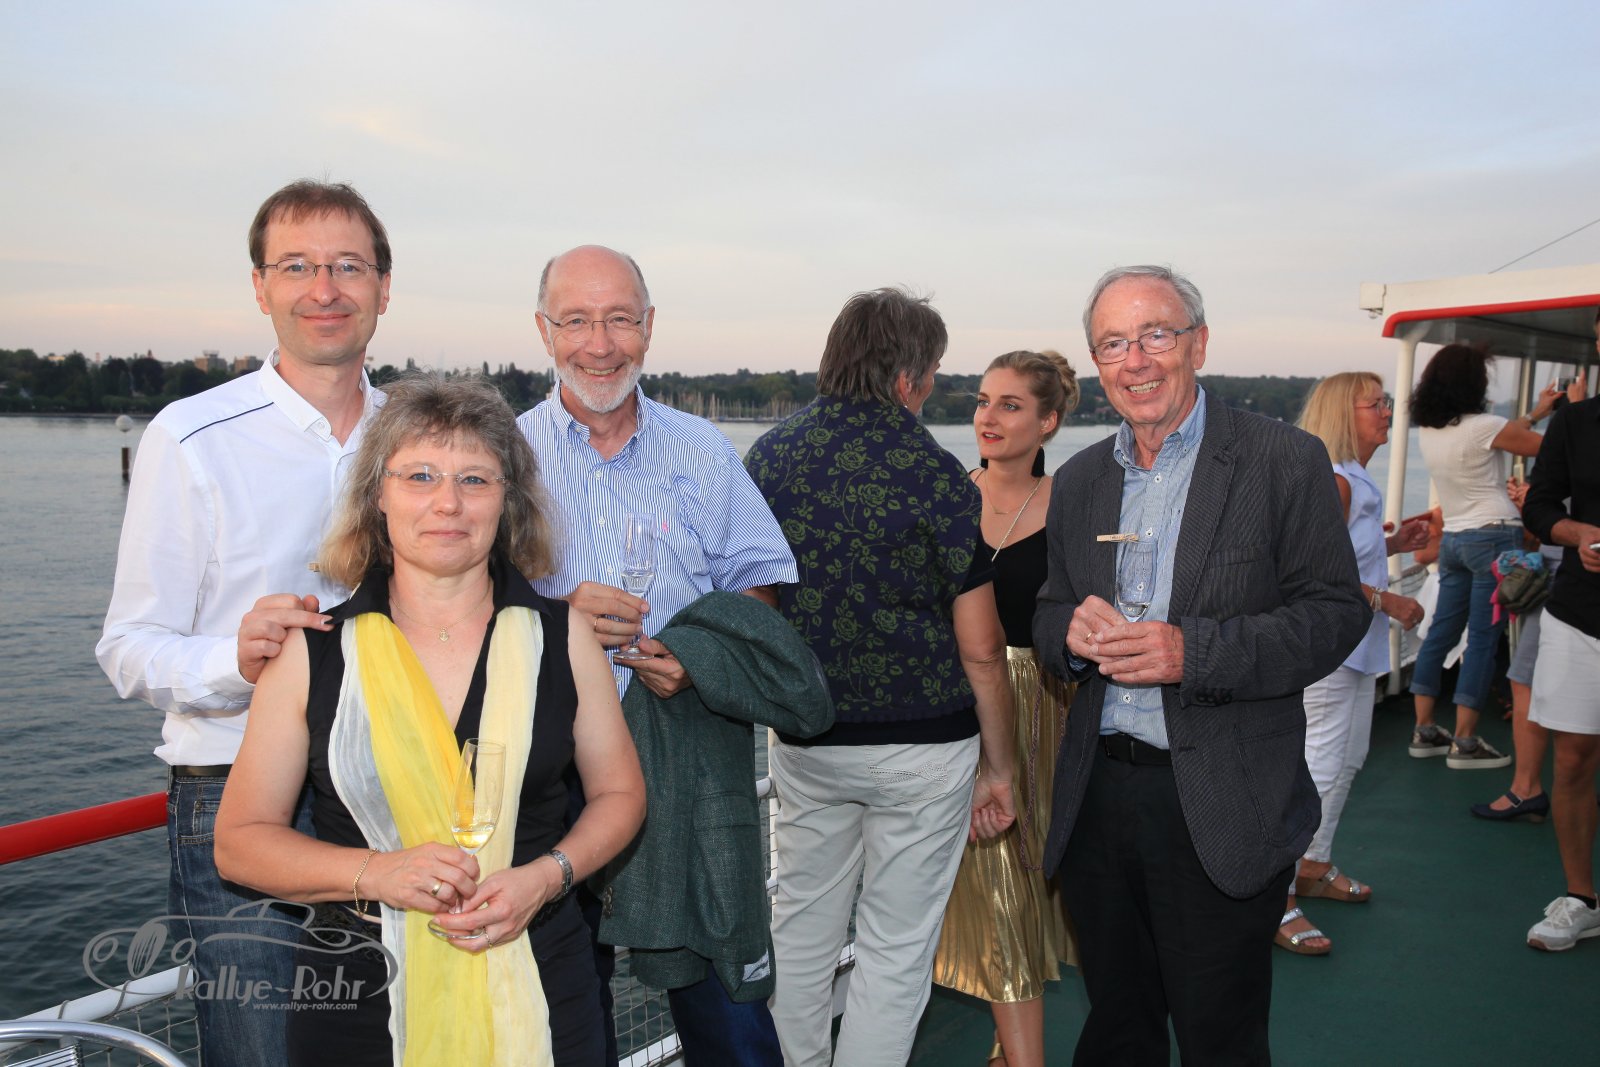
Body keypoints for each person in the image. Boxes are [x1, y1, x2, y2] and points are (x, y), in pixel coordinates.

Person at [214, 374, 647, 1064]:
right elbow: (239, 843)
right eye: (420, 476)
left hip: (543, 974)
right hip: (359, 996)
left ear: (508, 501)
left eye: (475, 479)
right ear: (377, 496)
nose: (448, 502)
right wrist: (376, 872)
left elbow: (621, 794)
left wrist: (547, 876)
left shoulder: (564, 638)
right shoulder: (310, 651)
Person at [1034, 265, 1369, 1065]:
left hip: (1221, 801)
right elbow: (1047, 610)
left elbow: (1335, 613)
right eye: (1113, 343)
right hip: (1098, 798)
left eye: (1156, 334)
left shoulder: (1285, 460)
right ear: (1095, 361)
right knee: (1117, 1029)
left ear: (1199, 344)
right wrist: (1068, 634)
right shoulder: (1078, 480)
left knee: (1221, 1036)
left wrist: (1193, 652)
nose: (1136, 360)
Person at [97, 180, 392, 1066]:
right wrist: (237, 657)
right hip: (236, 793)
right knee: (261, 1052)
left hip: (394, 788)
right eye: (296, 266)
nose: (324, 289)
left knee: (400, 1041)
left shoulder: (416, 438)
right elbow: (127, 646)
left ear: (383, 286)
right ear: (260, 287)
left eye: (348, 266)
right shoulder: (191, 436)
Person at [516, 245, 799, 1066]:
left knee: (723, 1001)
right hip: (545, 768)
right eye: (576, 320)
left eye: (619, 319)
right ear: (543, 330)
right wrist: (556, 615)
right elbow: (452, 610)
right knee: (567, 1007)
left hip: (681, 756)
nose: (599, 343)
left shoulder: (702, 448)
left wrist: (697, 655)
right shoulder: (504, 455)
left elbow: (761, 586)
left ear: (649, 326)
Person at [747, 288, 1017, 1067]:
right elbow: (981, 647)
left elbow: (753, 608)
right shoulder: (938, 474)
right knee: (895, 951)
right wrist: (1000, 767)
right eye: (929, 374)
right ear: (906, 377)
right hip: (926, 748)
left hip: (810, 736)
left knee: (801, 929)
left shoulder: (771, 458)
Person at [933, 350, 1080, 1067]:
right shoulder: (946, 498)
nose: (987, 417)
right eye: (983, 400)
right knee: (996, 886)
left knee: (1043, 883)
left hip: (1051, 713)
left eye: (1010, 404)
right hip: (964, 710)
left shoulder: (1073, 508)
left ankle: (1009, 1041)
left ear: (1048, 421)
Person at [1276, 373, 1428, 954]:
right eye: (1376, 404)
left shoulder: (1353, 480)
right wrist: (1387, 599)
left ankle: (1314, 863)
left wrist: (1394, 545)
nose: (1388, 411)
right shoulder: (1335, 482)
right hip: (1329, 649)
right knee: (1315, 765)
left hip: (1357, 646)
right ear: (1346, 413)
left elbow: (1347, 556)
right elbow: (1309, 572)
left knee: (1348, 758)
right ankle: (1277, 895)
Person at [1406, 345, 1575, 769]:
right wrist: (1572, 411)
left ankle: (1424, 730)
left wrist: (1536, 413)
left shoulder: (1431, 430)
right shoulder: (1486, 426)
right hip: (1495, 538)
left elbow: (1504, 434)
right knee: (1482, 639)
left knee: (1440, 634)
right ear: (1474, 383)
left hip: (1454, 542)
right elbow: (1552, 449)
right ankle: (1465, 742)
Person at [1523, 326, 1600, 951]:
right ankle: (1582, 897)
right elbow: (1539, 506)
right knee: (1573, 757)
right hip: (1580, 615)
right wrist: (1576, 534)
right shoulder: (1575, 422)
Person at [1469, 474, 1565, 822]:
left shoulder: (1577, 450)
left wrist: (1536, 504)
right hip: (1567, 568)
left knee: (1524, 678)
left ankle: (1526, 790)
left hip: (1566, 572)